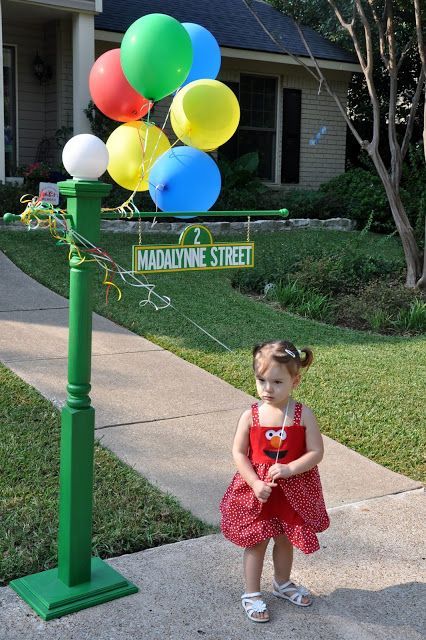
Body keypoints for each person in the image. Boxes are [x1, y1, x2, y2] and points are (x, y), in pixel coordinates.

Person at [220, 340, 329, 623]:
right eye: (261, 380)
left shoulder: (302, 415)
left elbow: (316, 452)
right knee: (256, 541)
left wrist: (291, 468)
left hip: (292, 491)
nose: (267, 389)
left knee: (284, 539)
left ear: (295, 381)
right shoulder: (251, 416)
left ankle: (282, 583)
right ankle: (252, 593)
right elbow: (239, 452)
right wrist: (255, 483)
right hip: (259, 491)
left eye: (277, 382)